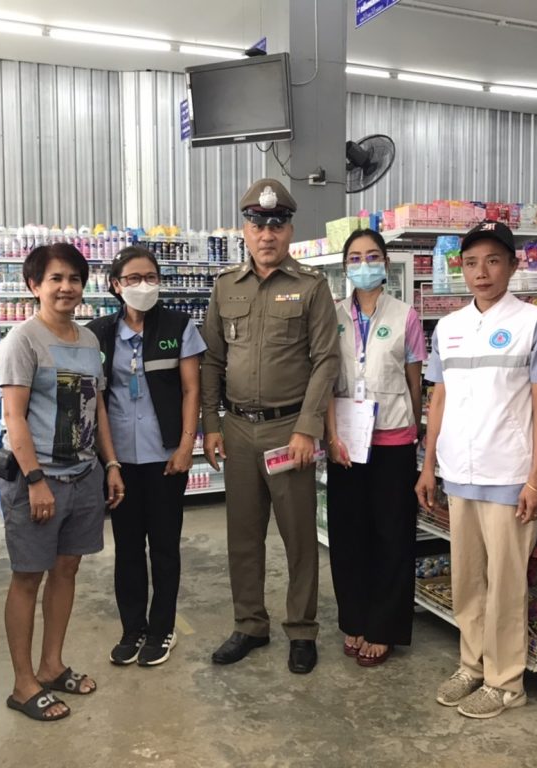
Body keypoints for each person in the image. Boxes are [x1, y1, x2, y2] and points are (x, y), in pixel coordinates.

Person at [416, 221, 537, 720]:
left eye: (493, 261)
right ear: (461, 268)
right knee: (468, 580)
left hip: (508, 474)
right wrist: (429, 465)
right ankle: (471, 665)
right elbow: (438, 399)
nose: (482, 272)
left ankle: (505, 682)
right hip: (459, 472)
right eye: (472, 262)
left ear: (513, 266)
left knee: (505, 584)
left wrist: (535, 478)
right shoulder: (450, 327)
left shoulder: (533, 323)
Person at [201, 178, 339, 674]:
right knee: (242, 536)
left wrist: (308, 428)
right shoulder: (225, 287)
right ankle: (249, 624)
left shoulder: (312, 287)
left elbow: (326, 361)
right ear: (245, 229)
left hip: (288, 432)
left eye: (277, 225)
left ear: (289, 231)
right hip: (238, 430)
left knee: (299, 538)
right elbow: (212, 360)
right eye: (258, 225)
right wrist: (210, 424)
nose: (267, 234)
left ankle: (301, 629)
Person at [0, 242, 124, 722]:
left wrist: (111, 464)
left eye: (74, 278)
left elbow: (98, 407)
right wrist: (35, 480)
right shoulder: (22, 341)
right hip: (39, 479)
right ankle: (22, 682)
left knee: (67, 570)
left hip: (84, 475)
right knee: (28, 577)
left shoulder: (89, 341)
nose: (66, 287)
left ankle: (51, 665)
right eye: (55, 278)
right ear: (34, 285)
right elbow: (14, 416)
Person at [87, 246, 206, 668]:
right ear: (116, 285)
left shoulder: (178, 325)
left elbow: (192, 389)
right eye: (134, 278)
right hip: (119, 459)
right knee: (127, 548)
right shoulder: (98, 333)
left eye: (151, 277)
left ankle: (162, 628)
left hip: (165, 455)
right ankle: (132, 628)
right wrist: (109, 462)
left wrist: (186, 446)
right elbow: (96, 399)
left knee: (165, 546)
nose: (144, 285)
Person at [325, 228, 425, 666]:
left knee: (392, 535)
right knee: (348, 534)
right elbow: (325, 381)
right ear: (345, 267)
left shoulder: (406, 316)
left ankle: (384, 627)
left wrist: (413, 430)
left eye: (371, 256)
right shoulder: (332, 316)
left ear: (385, 263)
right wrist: (331, 436)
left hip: (393, 441)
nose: (363, 264)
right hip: (346, 442)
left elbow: (414, 382)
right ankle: (355, 619)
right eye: (355, 257)